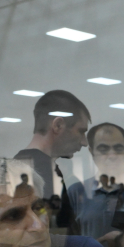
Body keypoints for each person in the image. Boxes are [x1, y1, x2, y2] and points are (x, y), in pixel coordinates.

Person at [13, 90, 90, 226]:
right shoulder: (42, 169)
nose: (84, 142)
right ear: (58, 125)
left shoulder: (18, 162)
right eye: (81, 131)